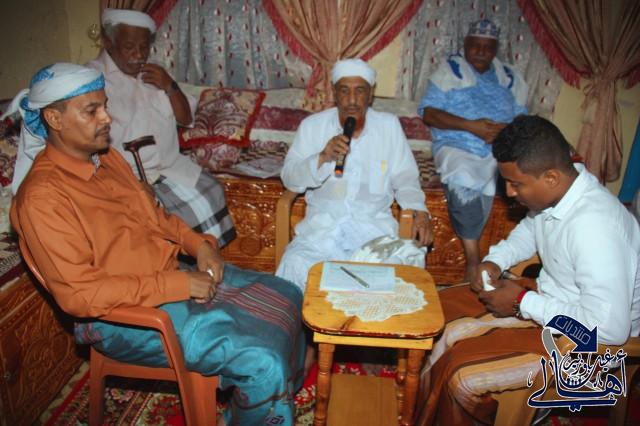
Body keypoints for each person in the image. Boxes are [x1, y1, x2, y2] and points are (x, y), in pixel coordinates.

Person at [9, 63, 304, 425]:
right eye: (92, 110)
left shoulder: (107, 158)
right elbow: (79, 296)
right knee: (262, 360)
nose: (107, 118)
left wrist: (199, 246)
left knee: (288, 293)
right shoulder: (43, 198)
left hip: (165, 277)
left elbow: (157, 218)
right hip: (121, 319)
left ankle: (261, 403)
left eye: (105, 106)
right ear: (54, 119)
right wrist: (179, 284)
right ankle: (264, 395)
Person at [415, 115, 640, 425]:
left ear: (550, 177)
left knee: (461, 375)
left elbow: (610, 328)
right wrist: (495, 261)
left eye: (516, 183)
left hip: (590, 345)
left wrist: (523, 303)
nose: (509, 192)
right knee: (441, 316)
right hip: (554, 303)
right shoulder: (559, 193)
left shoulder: (595, 228)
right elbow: (529, 231)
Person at [276, 58, 433, 290]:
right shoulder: (312, 126)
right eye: (344, 91)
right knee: (295, 264)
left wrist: (419, 211)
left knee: (395, 275)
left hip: (373, 232)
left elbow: (405, 177)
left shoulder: (388, 126)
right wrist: (322, 157)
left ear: (370, 94)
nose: (351, 100)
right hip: (322, 233)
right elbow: (290, 178)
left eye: (359, 91)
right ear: (334, 93)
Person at [86, 8, 235, 246]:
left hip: (170, 167)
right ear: (109, 43)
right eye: (129, 46)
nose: (138, 55)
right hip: (130, 178)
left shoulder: (154, 73)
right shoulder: (91, 79)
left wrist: (169, 85)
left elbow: (185, 118)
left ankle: (208, 258)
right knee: (172, 221)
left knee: (213, 191)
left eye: (144, 47)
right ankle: (189, 261)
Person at [418, 19, 528, 283]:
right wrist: (472, 126)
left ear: (496, 50)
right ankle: (473, 258)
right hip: (457, 144)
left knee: (516, 178)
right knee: (462, 175)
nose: (480, 51)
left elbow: (522, 119)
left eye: (487, 47)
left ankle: (507, 262)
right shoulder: (449, 71)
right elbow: (429, 113)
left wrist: (505, 130)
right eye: (475, 45)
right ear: (465, 45)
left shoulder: (509, 77)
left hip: (499, 147)